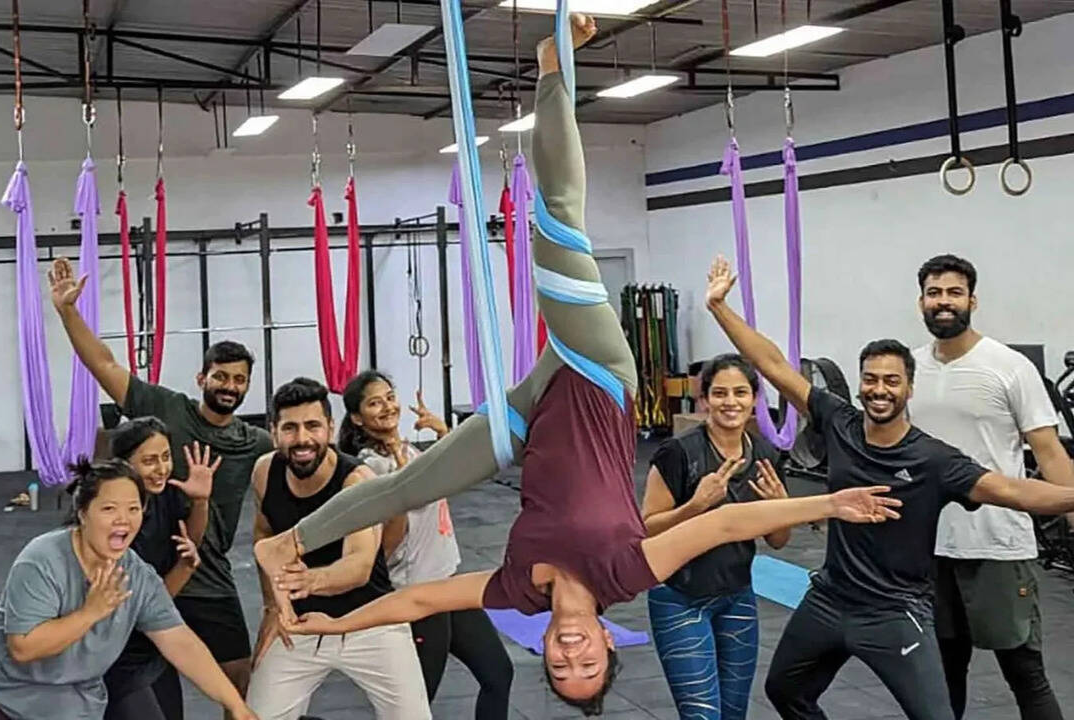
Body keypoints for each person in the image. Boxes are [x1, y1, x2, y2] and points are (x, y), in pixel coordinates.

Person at [256, 16, 902, 715]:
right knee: (556, 219)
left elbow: (416, 598)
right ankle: (552, 70)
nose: (570, 653)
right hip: (596, 376)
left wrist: (334, 622)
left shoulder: (516, 589)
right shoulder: (627, 572)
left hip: (531, 413)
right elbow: (722, 527)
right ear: (605, 640)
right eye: (587, 660)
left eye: (563, 668)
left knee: (405, 484)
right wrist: (829, 504)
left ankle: (287, 541)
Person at [700, 255, 1074, 720]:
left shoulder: (934, 459)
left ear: (909, 390)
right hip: (830, 598)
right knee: (784, 689)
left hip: (895, 611)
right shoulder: (839, 422)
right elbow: (773, 363)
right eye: (871, 380)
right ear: (858, 386)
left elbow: (1014, 492)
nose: (880, 390)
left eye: (891, 382)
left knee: (960, 702)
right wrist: (719, 308)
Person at [49, 257, 273, 697]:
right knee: (137, 681)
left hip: (206, 572)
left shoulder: (256, 442)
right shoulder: (170, 409)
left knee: (240, 677)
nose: (229, 386)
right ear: (202, 377)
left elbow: (307, 462)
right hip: (146, 567)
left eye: (239, 380)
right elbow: (105, 366)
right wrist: (67, 312)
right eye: (221, 376)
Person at [910, 254, 1072, 720]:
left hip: (997, 547)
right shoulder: (910, 368)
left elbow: (1049, 453)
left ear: (972, 301)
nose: (944, 302)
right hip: (928, 549)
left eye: (954, 293)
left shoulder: (1009, 366)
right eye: (935, 293)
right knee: (942, 677)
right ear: (920, 301)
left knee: (1024, 673)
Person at [0, 458, 255, 720]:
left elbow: (181, 643)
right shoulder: (42, 560)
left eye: (133, 509)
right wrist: (91, 612)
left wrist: (237, 706)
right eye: (109, 508)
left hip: (73, 702)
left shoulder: (137, 574)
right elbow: (23, 647)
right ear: (83, 512)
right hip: (5, 697)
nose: (123, 519)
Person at [247, 377, 431, 720]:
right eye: (290, 428)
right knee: (257, 716)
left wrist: (308, 581)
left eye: (313, 426)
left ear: (330, 428)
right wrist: (272, 607)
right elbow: (264, 536)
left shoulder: (356, 481)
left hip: (370, 620)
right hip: (300, 623)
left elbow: (359, 566)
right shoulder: (264, 472)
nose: (302, 439)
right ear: (273, 432)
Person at [337, 370, 514, 719]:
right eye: (375, 402)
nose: (387, 406)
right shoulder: (370, 468)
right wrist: (402, 486)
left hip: (448, 581)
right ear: (357, 418)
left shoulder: (406, 450)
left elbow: (455, 477)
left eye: (389, 396)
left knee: (498, 673)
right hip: (415, 594)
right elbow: (385, 548)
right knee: (414, 707)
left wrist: (444, 433)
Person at [641, 353, 790, 720]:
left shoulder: (766, 456)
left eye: (740, 392)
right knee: (702, 716)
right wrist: (695, 505)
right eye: (720, 393)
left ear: (754, 399)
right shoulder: (678, 453)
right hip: (680, 596)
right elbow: (645, 531)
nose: (730, 402)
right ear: (704, 399)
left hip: (736, 596)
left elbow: (778, 540)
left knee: (733, 713)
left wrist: (781, 508)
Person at [101, 417, 218, 720]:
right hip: (117, 650)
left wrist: (200, 503)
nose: (162, 468)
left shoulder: (164, 495)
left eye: (166, 457)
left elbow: (187, 540)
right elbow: (145, 607)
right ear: (124, 464)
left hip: (153, 644)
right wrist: (185, 568)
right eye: (149, 460)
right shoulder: (116, 519)